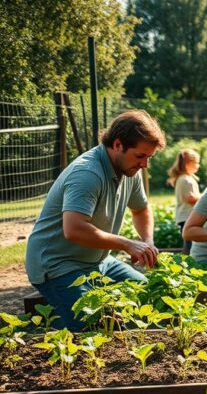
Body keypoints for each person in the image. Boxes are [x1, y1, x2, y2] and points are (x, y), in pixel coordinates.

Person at [25, 110, 166, 331]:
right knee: (91, 325)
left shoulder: (131, 171)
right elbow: (74, 229)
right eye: (140, 156)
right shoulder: (87, 173)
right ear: (118, 144)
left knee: (146, 294)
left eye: (149, 157)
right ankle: (45, 329)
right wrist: (127, 243)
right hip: (58, 264)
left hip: (99, 263)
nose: (144, 165)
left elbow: (141, 209)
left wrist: (147, 240)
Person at [169, 148, 201, 254]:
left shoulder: (182, 178)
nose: (198, 166)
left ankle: (186, 260)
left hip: (184, 216)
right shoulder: (186, 180)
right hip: (188, 216)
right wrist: (204, 197)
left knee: (189, 241)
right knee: (190, 242)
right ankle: (187, 260)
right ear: (187, 164)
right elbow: (190, 198)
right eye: (196, 163)